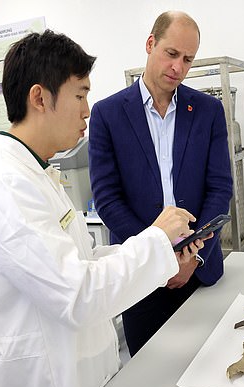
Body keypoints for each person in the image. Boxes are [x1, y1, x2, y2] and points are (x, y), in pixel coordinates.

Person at [0, 29, 205, 387]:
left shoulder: (38, 173)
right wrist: (157, 240)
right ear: (40, 98)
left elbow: (84, 259)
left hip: (84, 372)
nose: (87, 110)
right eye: (79, 95)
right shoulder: (3, 183)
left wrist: (161, 253)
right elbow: (77, 293)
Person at [88, 11, 233, 356]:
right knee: (148, 374)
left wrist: (191, 259)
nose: (179, 68)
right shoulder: (108, 115)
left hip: (198, 269)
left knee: (210, 365)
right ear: (151, 44)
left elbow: (220, 188)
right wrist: (157, 258)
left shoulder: (208, 110)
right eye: (171, 54)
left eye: (188, 59)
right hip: (141, 278)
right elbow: (108, 199)